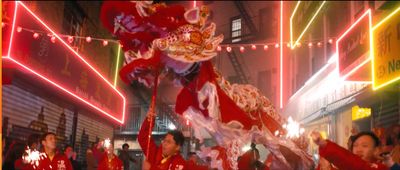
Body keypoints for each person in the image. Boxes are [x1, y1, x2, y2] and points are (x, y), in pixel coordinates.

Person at [311, 131, 388, 170]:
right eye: (355, 145)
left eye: (364, 146)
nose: (358, 150)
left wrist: (325, 145)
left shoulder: (381, 168)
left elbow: (357, 165)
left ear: (376, 150)